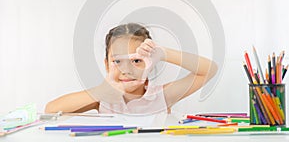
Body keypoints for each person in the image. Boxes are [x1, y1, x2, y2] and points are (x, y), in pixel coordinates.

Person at [45, 23, 218, 114]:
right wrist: (100, 92)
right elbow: (51, 110)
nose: (126, 70)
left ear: (150, 63)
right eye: (118, 62)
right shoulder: (102, 98)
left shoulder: (162, 96)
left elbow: (209, 69)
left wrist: (164, 53)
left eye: (136, 61)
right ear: (106, 65)